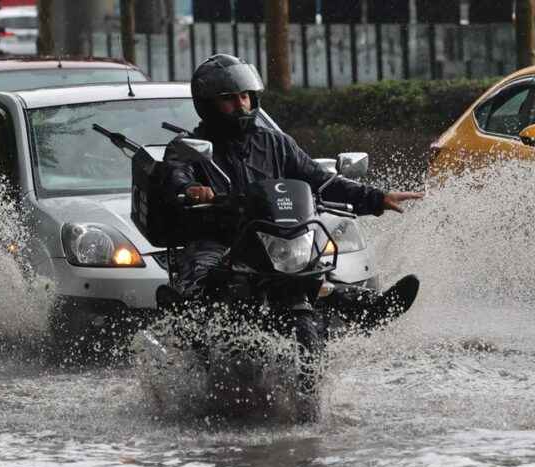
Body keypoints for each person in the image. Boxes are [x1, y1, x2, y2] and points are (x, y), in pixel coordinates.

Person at [163, 54, 423, 315]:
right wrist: (191, 190)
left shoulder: (275, 143)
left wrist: (377, 198)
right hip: (218, 237)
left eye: (244, 96)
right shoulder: (188, 146)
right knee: (200, 285)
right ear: (208, 104)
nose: (241, 104)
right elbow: (177, 175)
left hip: (273, 237)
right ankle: (184, 326)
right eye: (228, 99)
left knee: (317, 272)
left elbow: (318, 179)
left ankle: (369, 310)